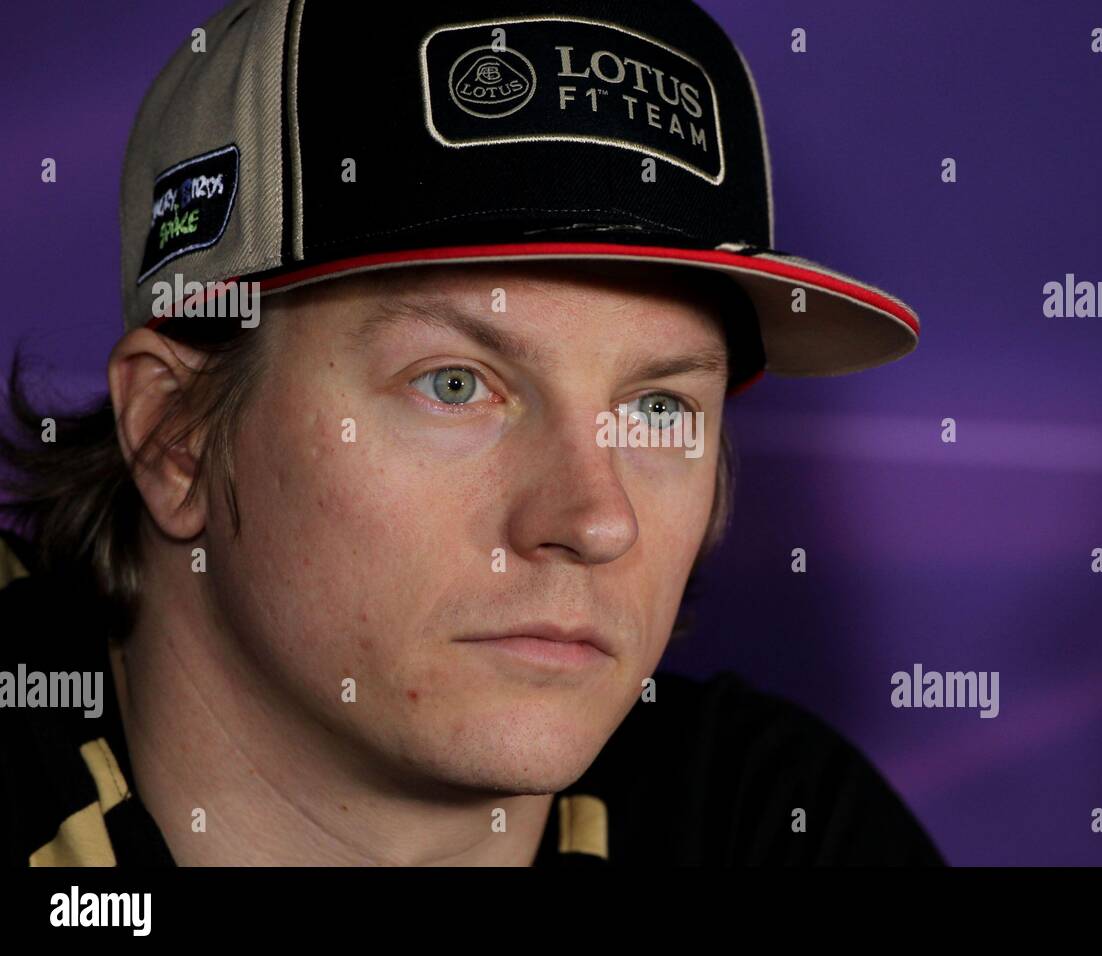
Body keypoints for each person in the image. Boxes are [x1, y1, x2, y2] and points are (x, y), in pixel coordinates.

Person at [0, 0, 939, 866]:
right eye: (455, 385)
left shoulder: (779, 828)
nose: (596, 520)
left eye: (657, 408)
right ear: (176, 436)